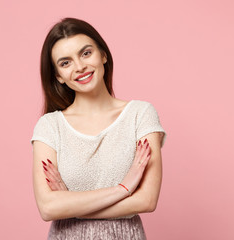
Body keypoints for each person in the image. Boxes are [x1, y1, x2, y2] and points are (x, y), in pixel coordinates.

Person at [30, 17, 167, 240]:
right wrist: (122, 189)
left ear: (103, 54)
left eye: (86, 53)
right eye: (65, 63)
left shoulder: (140, 114)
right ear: (58, 76)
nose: (80, 66)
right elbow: (48, 208)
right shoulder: (49, 126)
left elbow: (147, 200)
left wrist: (72, 205)